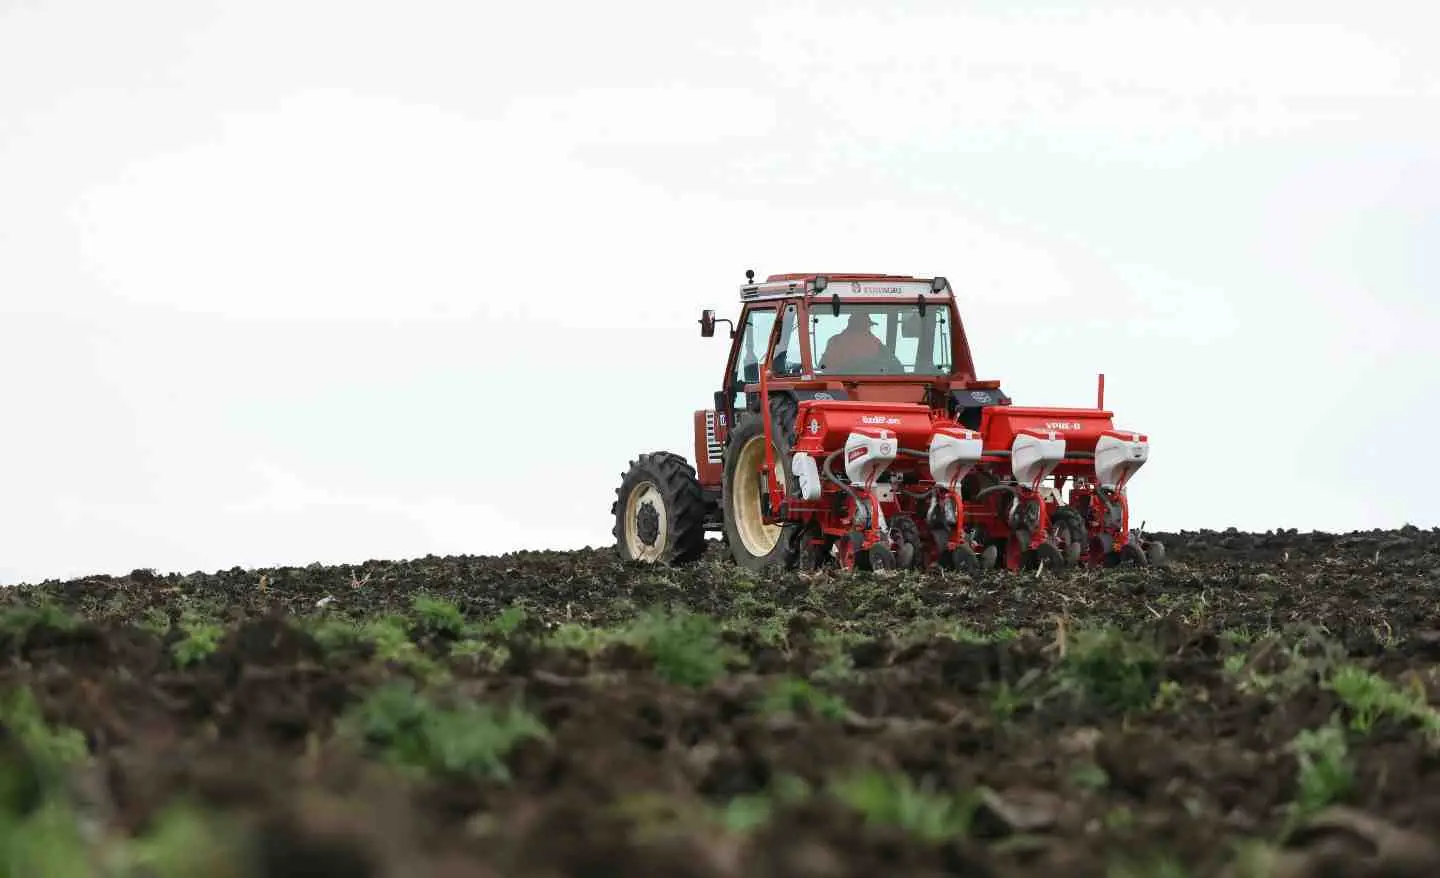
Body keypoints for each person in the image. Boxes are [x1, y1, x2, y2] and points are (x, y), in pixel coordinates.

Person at [820, 312, 887, 372]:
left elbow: (824, 367)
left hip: (840, 382)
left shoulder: (835, 340)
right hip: (871, 381)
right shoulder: (875, 342)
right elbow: (891, 365)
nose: (869, 328)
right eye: (868, 325)